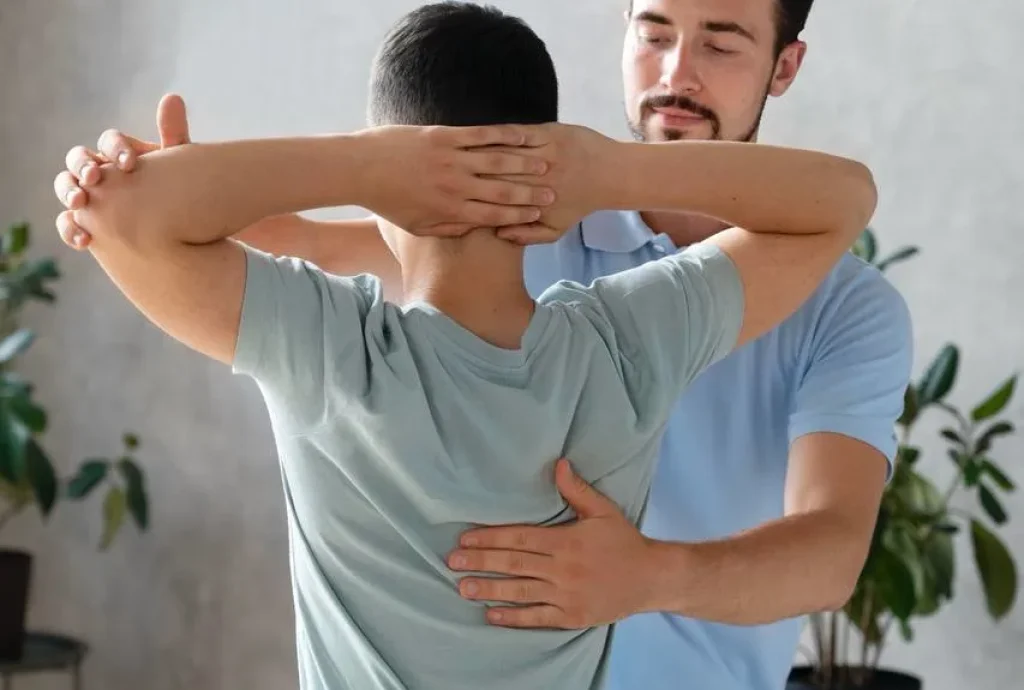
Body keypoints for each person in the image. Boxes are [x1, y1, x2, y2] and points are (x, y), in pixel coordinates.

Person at [53, 2, 910, 690]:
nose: (676, 72)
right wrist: (137, 173)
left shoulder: (329, 351)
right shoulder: (632, 333)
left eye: (720, 43)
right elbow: (298, 235)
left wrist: (647, 575)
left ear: (783, 65)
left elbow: (831, 550)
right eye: (654, 32)